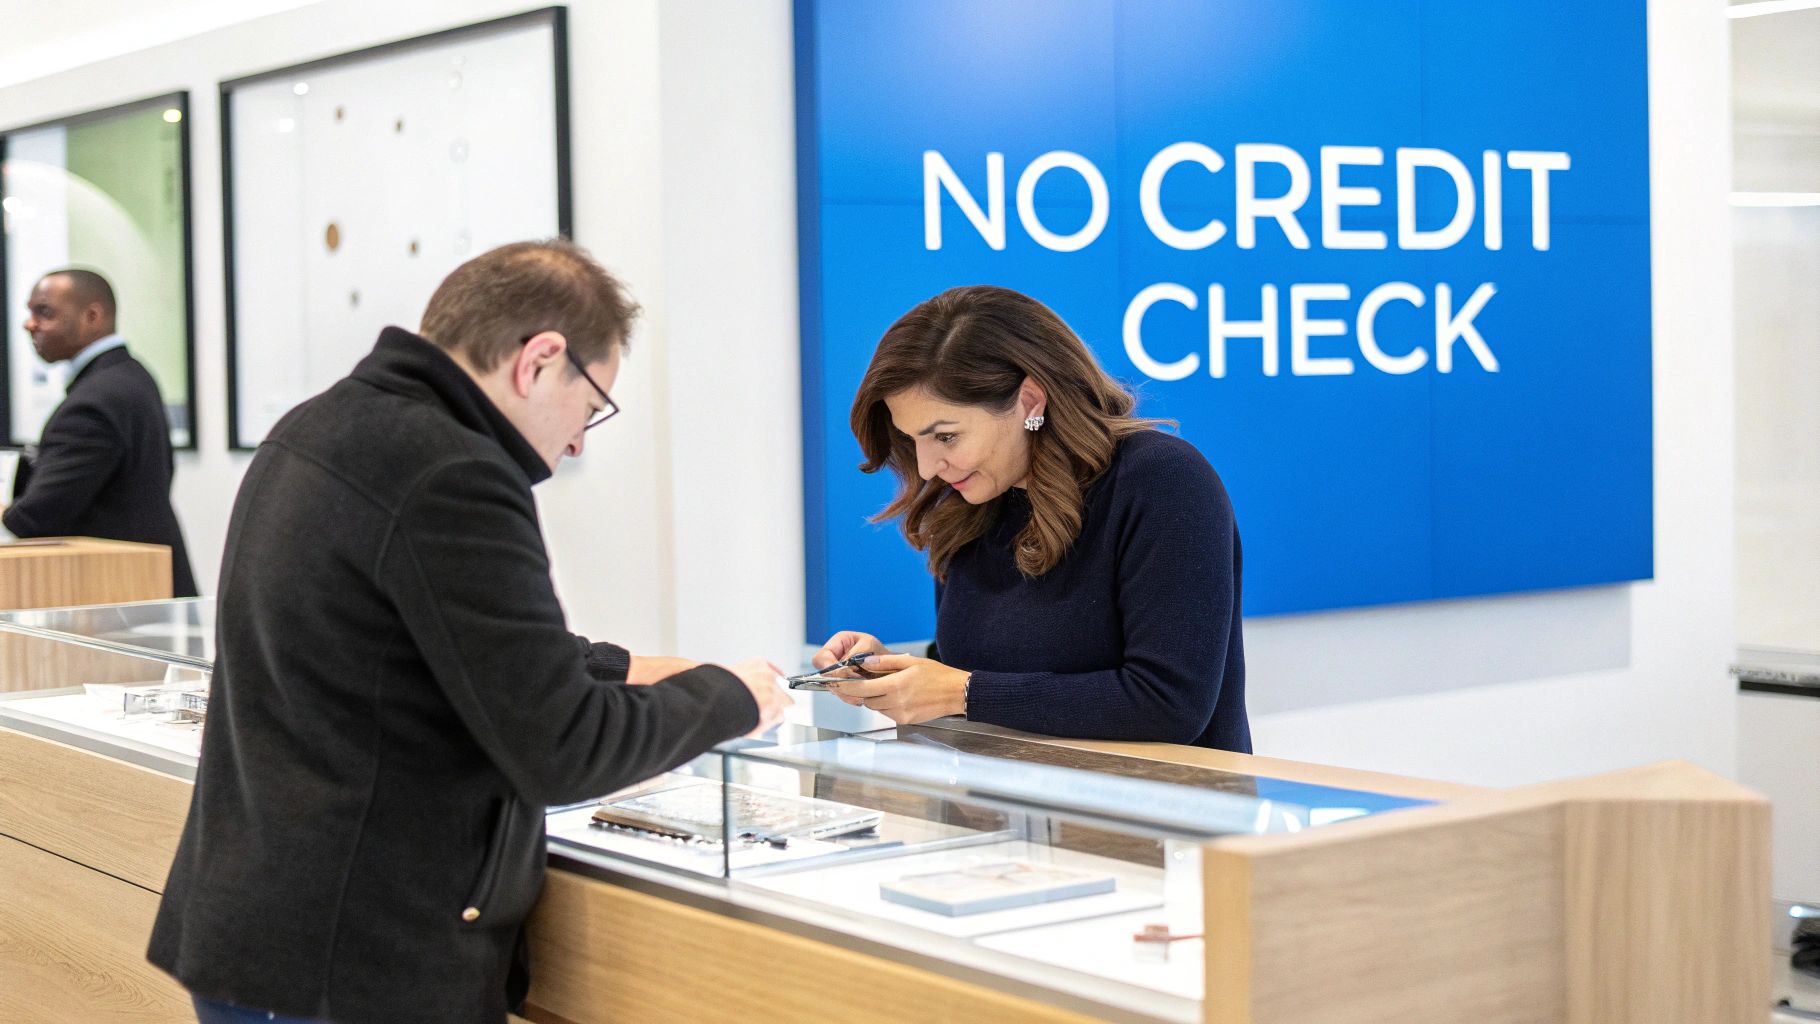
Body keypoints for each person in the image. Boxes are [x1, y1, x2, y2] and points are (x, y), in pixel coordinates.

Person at [147, 240, 792, 1024]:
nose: (582, 439)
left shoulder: (323, 425)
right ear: (541, 360)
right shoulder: (452, 471)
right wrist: (731, 698)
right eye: (591, 405)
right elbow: (563, 749)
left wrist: (626, 668)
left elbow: (423, 643)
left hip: (269, 930)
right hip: (354, 960)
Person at [812, 285, 1250, 751]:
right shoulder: (971, 502)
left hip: (1169, 813)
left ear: (1030, 401)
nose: (925, 468)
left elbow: (1169, 704)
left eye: (945, 437)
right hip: (1012, 808)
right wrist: (896, 672)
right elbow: (982, 670)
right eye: (912, 439)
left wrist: (958, 691)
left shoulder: (1163, 479)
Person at [4, 268, 197, 596]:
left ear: (92, 316)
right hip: (140, 591)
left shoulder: (94, 400)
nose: (29, 323)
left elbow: (36, 518)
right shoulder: (130, 376)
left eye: (44, 312)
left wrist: (10, 512)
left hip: (119, 597)